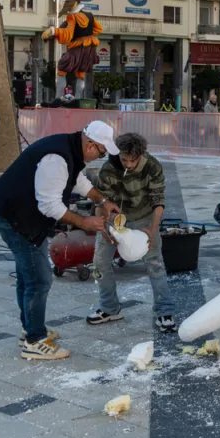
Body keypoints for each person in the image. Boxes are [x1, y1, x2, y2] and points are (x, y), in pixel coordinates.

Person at [0, 121, 120, 360]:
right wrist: (85, 223)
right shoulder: (57, 157)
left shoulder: (70, 149)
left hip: (22, 219)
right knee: (38, 280)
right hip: (17, 222)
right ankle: (35, 341)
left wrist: (102, 201)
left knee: (28, 277)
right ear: (90, 145)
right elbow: (49, 205)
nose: (100, 156)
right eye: (101, 152)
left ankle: (30, 329)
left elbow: (76, 181)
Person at [87, 131, 177, 332]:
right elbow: (101, 200)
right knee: (100, 262)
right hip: (114, 219)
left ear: (141, 156)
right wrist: (103, 226)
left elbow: (158, 200)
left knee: (155, 263)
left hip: (144, 216)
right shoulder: (109, 168)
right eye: (124, 159)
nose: (128, 164)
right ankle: (110, 308)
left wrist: (152, 230)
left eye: (132, 161)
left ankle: (164, 311)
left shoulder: (152, 166)